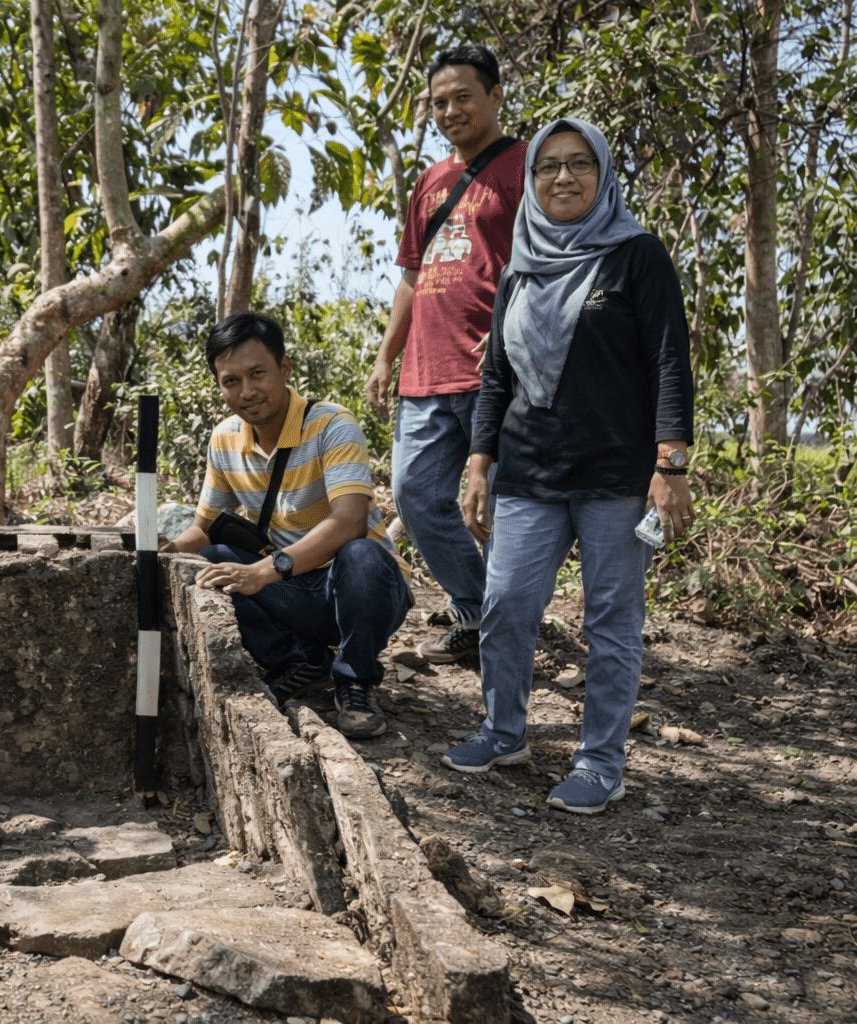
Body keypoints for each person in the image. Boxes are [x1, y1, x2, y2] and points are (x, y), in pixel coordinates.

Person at [443, 117, 694, 814]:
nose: (561, 177)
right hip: (528, 470)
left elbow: (671, 359)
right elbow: (495, 376)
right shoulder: (520, 265)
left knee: (610, 621)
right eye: (548, 165)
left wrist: (670, 466)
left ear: (603, 173)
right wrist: (478, 463)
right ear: (531, 179)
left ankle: (600, 763)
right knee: (505, 606)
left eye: (578, 163)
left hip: (617, 472)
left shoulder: (637, 255)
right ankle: (503, 730)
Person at [161, 313, 412, 740]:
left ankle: (355, 680)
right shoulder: (224, 439)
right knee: (211, 560)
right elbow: (202, 530)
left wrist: (263, 571)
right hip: (295, 593)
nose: (247, 391)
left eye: (257, 374)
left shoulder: (332, 425)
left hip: (360, 592)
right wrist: (160, 556)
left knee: (362, 554)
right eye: (230, 381)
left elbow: (350, 521)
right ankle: (297, 660)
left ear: (285, 368)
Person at [365, 45, 526, 664]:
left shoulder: (523, 167)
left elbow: (545, 265)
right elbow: (412, 273)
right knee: (414, 494)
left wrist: (516, 331)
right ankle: (481, 609)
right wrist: (387, 355)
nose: (451, 110)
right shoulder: (431, 181)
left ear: (494, 97)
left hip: (496, 372)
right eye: (439, 101)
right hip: (425, 371)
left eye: (463, 96)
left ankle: (504, 632)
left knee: (504, 508)